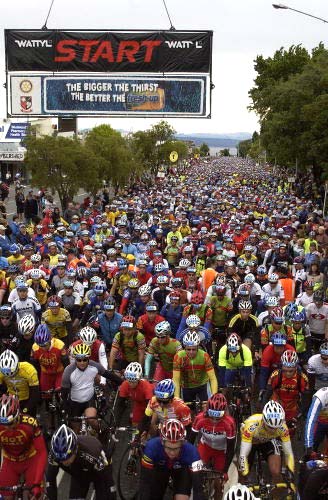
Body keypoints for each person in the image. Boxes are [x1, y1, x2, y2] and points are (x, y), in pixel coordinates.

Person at [139, 418, 205, 500]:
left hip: (181, 470)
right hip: (160, 470)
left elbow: (198, 489)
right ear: (162, 442)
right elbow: (144, 483)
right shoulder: (151, 447)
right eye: (169, 448)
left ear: (182, 443)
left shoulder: (192, 452)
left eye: (176, 448)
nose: (172, 453)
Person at [47, 424, 116, 500]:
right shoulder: (54, 455)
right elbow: (50, 481)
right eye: (60, 458)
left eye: (67, 457)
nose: (64, 462)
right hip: (78, 473)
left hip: (100, 468)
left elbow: (107, 482)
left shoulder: (91, 454)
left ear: (75, 449)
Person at [0, 394, 48, 499]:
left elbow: (42, 452)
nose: (7, 428)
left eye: (10, 423)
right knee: (5, 497)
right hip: (10, 462)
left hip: (30, 460)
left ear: (18, 415)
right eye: (4, 424)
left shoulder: (30, 423)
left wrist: (36, 483)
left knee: (34, 495)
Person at [239, 400, 294, 483]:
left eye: (276, 427)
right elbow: (243, 455)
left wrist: (290, 470)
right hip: (251, 441)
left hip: (268, 441)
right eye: (270, 427)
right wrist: (244, 470)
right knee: (243, 473)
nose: (273, 430)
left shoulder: (283, 427)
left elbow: (288, 452)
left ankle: (275, 494)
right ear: (263, 421)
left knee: (276, 472)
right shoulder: (251, 424)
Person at [191, 393, 236, 485]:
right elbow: (190, 441)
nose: (214, 420)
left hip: (221, 451)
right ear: (207, 411)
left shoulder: (229, 423)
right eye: (212, 416)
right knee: (195, 472)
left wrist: (225, 471)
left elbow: (231, 449)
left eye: (218, 417)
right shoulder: (199, 418)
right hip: (205, 446)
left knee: (219, 482)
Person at [173, 330, 218, 401]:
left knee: (207, 408)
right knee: (189, 410)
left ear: (198, 347)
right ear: (184, 347)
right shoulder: (178, 357)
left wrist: (214, 395)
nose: (191, 352)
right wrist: (176, 398)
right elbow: (176, 380)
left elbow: (212, 378)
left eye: (193, 349)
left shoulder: (204, 355)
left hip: (203, 385)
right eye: (188, 349)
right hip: (186, 387)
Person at [0, 348, 39, 416]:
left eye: (12, 372)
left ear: (17, 365)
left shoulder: (29, 369)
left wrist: (26, 409)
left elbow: (35, 393)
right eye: (6, 374)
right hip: (10, 399)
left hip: (27, 398)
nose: (10, 376)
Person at [115, 362, 153, 426]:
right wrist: (116, 423)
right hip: (139, 403)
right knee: (135, 424)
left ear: (138, 379)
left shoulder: (146, 387)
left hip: (151, 404)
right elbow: (120, 405)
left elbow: (149, 407)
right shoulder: (125, 384)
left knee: (149, 425)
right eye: (129, 381)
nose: (131, 384)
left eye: (133, 382)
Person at [304, 386, 328, 454]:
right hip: (319, 423)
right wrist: (308, 446)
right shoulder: (321, 396)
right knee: (311, 452)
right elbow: (311, 421)